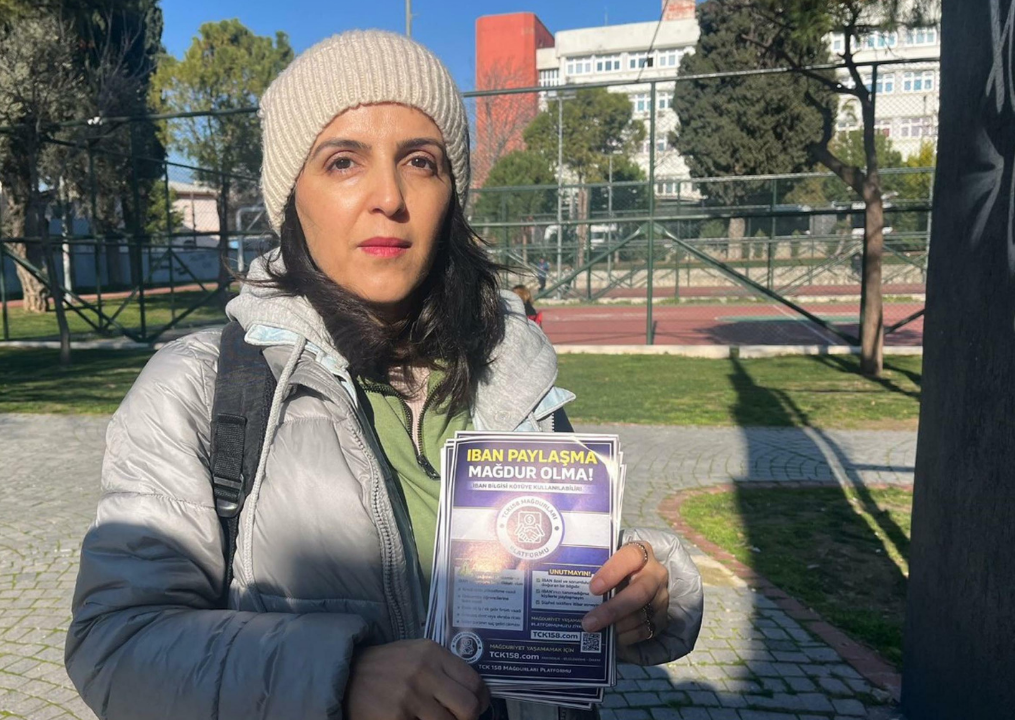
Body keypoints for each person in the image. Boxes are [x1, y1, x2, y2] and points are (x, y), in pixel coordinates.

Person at [65, 30, 703, 720]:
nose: (390, 197)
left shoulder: (514, 369)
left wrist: (648, 588)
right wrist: (335, 678)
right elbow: (116, 644)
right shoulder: (196, 387)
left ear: (450, 194)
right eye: (343, 162)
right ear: (292, 197)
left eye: (420, 162)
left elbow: (558, 559)